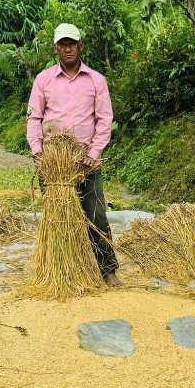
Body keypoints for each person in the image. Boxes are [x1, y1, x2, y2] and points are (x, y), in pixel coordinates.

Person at [26, 23, 121, 287]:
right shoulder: (43, 80)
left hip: (85, 161)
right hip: (54, 163)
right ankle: (59, 268)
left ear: (81, 46)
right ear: (56, 48)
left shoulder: (96, 80)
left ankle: (107, 269)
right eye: (62, 44)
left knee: (96, 215)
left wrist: (94, 153)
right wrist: (38, 152)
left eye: (72, 43)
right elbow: (34, 118)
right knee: (57, 215)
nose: (67, 48)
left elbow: (104, 120)